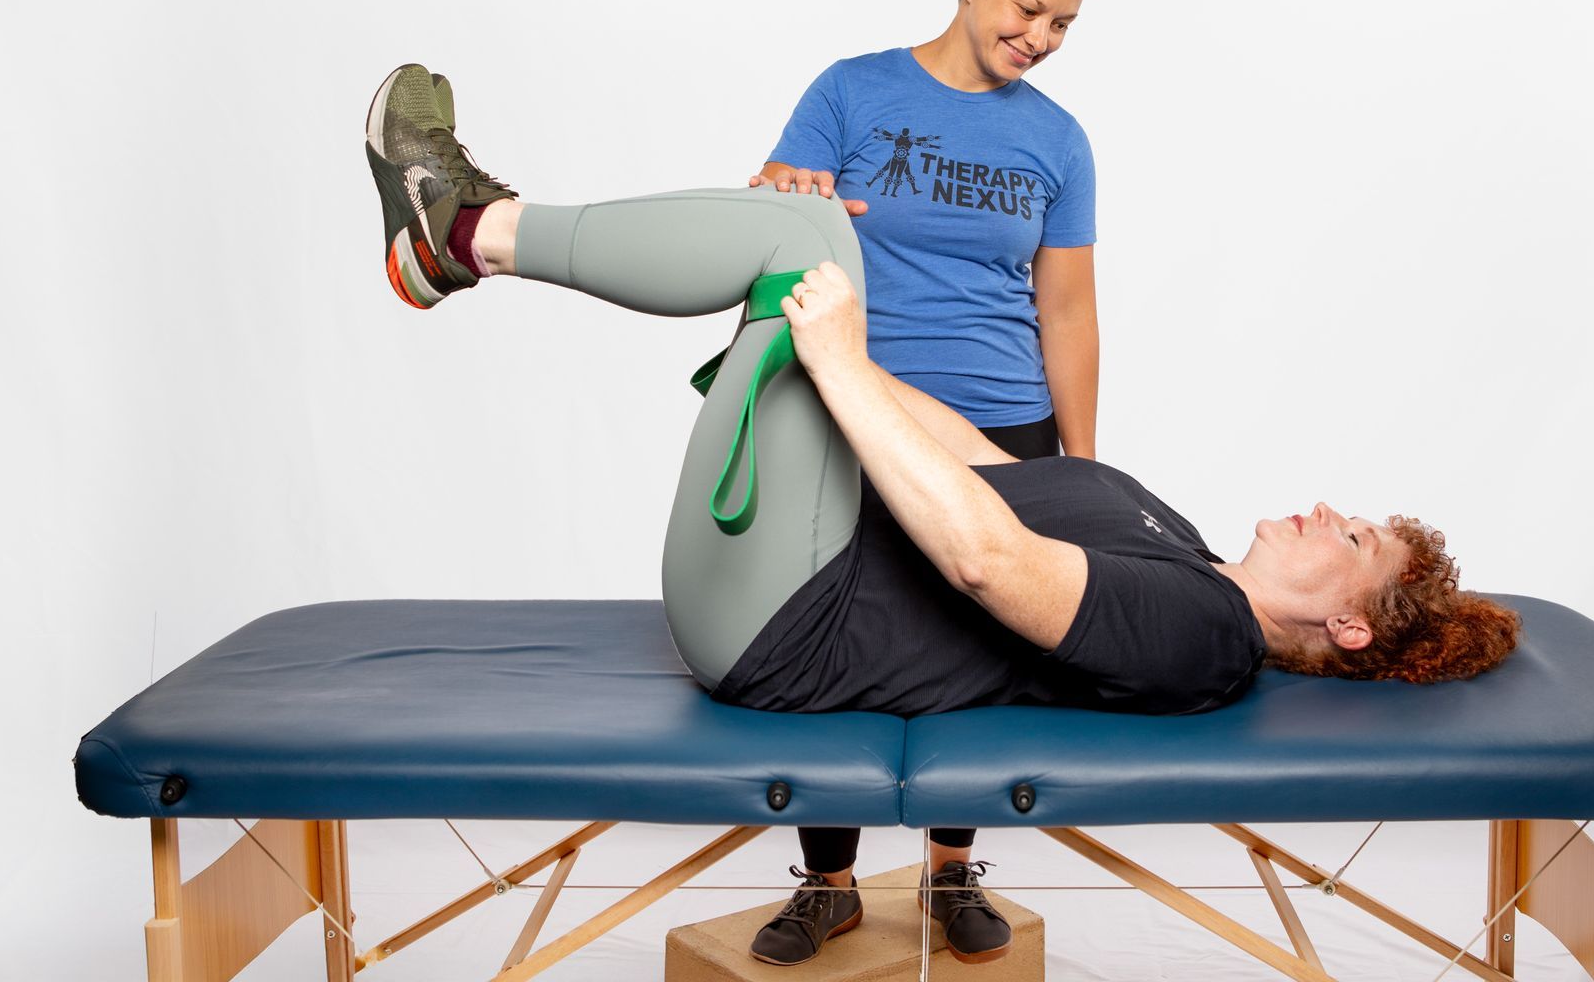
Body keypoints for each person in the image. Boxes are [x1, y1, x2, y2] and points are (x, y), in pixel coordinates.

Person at [366, 63, 1525, 967]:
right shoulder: (1184, 540)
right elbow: (974, 457)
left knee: (809, 240)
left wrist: (837, 353)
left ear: (1354, 628)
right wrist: (840, 344)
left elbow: (983, 556)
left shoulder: (1206, 635)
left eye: (1356, 536)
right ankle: (460, 237)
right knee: (818, 232)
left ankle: (462, 230)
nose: (1329, 510)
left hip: (779, 625)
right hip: (789, 563)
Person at [748, 0, 1098, 946]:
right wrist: (783, 193)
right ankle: (830, 880)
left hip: (1002, 428)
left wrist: (1081, 467)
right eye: (1027, 7)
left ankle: (953, 869)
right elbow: (771, 228)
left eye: (1063, 23)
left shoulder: (1059, 138)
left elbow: (1070, 311)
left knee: (978, 650)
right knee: (837, 648)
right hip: (854, 414)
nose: (1039, 35)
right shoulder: (851, 90)